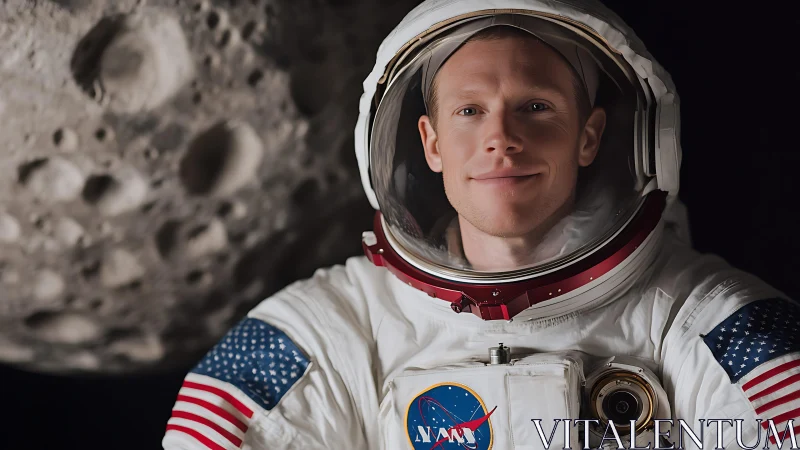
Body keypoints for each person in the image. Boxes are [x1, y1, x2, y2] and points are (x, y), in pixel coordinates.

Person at [162, 1, 799, 449]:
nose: (500, 137)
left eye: (535, 108)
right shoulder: (326, 336)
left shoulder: (712, 327)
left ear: (590, 136)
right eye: (470, 110)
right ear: (431, 144)